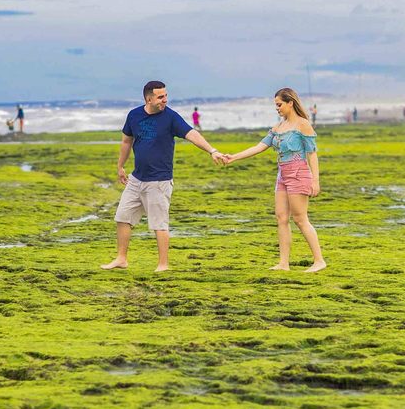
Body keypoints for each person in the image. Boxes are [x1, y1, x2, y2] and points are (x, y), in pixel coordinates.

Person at [102, 81, 226, 273]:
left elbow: (192, 134)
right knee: (123, 217)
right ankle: (121, 258)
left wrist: (212, 150)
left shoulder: (170, 117)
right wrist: (120, 166)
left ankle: (163, 264)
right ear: (148, 98)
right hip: (136, 179)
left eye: (166, 96)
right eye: (160, 97)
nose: (165, 100)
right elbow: (126, 141)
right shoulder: (134, 115)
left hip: (159, 180)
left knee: (159, 224)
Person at [222, 88, 326, 273]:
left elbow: (312, 154)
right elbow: (259, 147)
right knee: (281, 218)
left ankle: (319, 260)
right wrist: (234, 157)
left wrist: (315, 181)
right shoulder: (278, 128)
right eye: (275, 105)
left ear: (290, 103)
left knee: (301, 219)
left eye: (279, 105)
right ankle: (283, 263)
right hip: (282, 176)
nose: (277, 108)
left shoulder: (303, 124)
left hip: (299, 174)